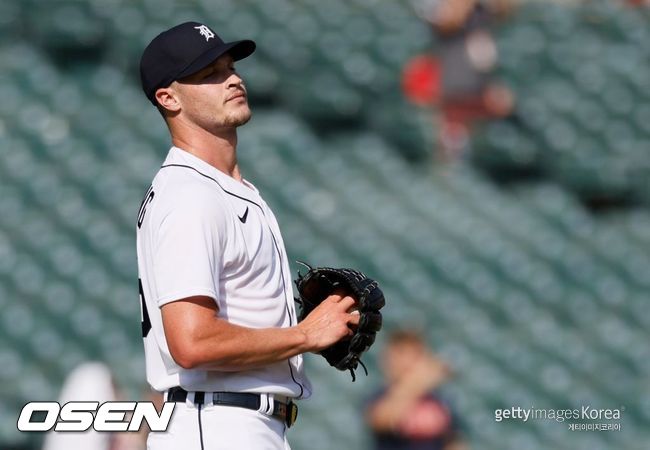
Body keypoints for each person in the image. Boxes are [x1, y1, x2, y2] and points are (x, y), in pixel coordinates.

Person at [136, 22, 360, 450]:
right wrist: (304, 335)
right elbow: (192, 342)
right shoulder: (191, 196)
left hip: (240, 423)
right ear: (168, 97)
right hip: (216, 423)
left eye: (230, 66)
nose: (233, 78)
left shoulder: (221, 188)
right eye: (209, 74)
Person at [365, 330, 467, 450]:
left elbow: (455, 440)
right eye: (402, 355)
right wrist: (417, 382)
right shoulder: (378, 397)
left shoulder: (440, 400)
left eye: (416, 356)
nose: (409, 363)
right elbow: (381, 420)